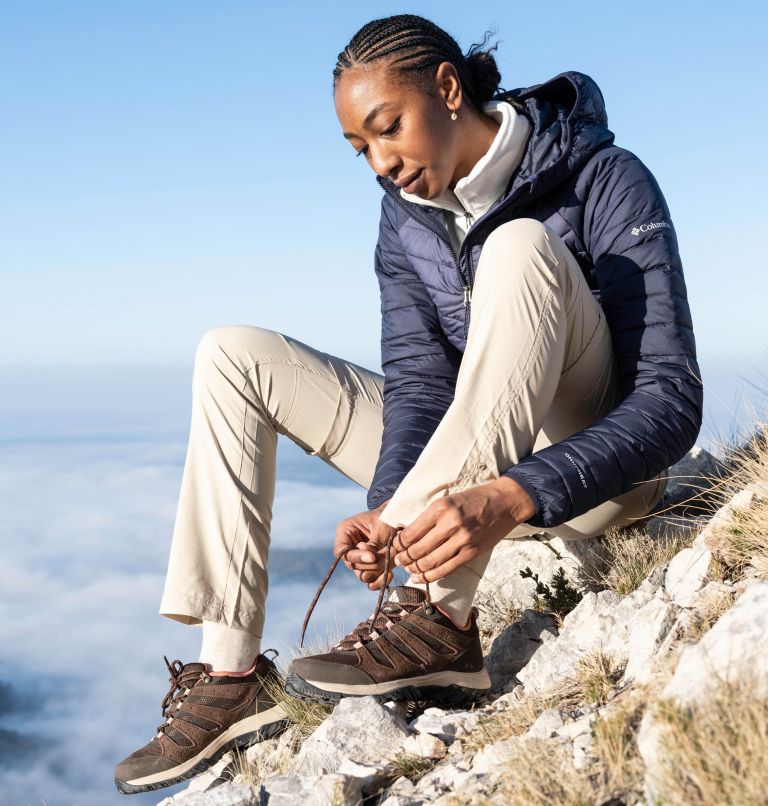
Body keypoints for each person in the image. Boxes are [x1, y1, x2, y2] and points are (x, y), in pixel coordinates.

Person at [114, 12, 702, 795]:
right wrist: (392, 505)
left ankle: (440, 617)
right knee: (232, 353)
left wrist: (511, 493)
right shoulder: (405, 219)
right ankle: (232, 676)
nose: (381, 164)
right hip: (472, 470)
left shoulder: (604, 176)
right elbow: (421, 384)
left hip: (595, 479)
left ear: (449, 90)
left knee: (519, 245)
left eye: (388, 130)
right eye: (361, 149)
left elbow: (670, 400)